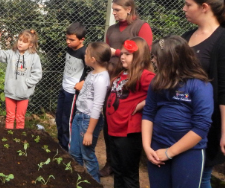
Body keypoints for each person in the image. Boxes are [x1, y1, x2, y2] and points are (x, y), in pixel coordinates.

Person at [181, 0, 225, 188]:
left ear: (204, 7)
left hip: (204, 127)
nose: (184, 8)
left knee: (199, 178)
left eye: (188, 4)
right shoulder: (185, 37)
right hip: (178, 123)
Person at [142, 36, 214, 188]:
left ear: (170, 59)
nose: (153, 61)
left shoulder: (200, 85)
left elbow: (201, 126)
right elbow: (148, 114)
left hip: (189, 152)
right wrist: (147, 147)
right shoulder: (157, 82)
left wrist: (169, 152)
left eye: (156, 57)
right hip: (157, 147)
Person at [102, 0, 153, 176]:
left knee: (127, 120)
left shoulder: (141, 27)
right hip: (112, 80)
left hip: (132, 82)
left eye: (117, 10)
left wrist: (116, 52)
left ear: (129, 9)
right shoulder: (112, 30)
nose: (114, 13)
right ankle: (111, 162)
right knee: (109, 119)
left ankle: (128, 162)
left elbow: (143, 53)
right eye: (113, 10)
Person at [105, 37, 154, 188]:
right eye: (122, 53)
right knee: (118, 171)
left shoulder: (145, 75)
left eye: (128, 54)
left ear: (139, 56)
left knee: (129, 175)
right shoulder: (123, 73)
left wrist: (145, 103)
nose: (122, 56)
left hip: (128, 134)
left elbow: (164, 91)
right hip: (114, 131)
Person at [69, 42, 111, 183]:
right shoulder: (92, 73)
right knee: (74, 152)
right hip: (79, 116)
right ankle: (80, 181)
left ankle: (94, 183)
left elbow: (97, 106)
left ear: (93, 59)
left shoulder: (101, 78)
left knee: (87, 154)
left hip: (88, 120)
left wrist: (89, 132)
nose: (84, 55)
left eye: (86, 54)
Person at [0, 28, 42, 129]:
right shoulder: (11, 53)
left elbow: (37, 74)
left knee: (20, 118)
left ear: (30, 45)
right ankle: (8, 139)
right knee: (10, 117)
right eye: (19, 40)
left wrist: (26, 83)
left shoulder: (34, 57)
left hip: (23, 94)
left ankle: (19, 140)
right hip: (10, 93)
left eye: (24, 42)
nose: (20, 43)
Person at [55, 22, 87, 152]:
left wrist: (83, 82)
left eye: (72, 40)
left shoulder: (85, 53)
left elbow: (92, 71)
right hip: (64, 88)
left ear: (82, 39)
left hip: (73, 92)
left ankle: (68, 149)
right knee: (59, 116)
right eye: (67, 38)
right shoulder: (69, 49)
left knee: (67, 120)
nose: (68, 42)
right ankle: (60, 143)